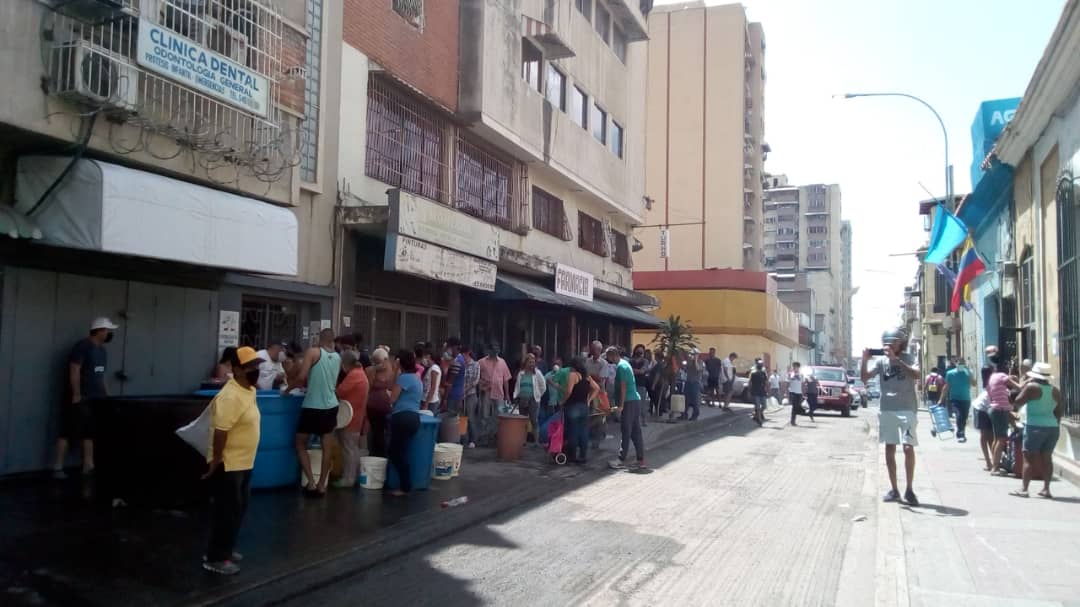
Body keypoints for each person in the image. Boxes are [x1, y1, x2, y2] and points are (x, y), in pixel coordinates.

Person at [201, 346, 262, 575]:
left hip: (245, 462)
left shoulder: (249, 389)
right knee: (226, 511)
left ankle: (226, 549)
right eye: (250, 367)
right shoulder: (230, 395)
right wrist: (216, 460)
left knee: (238, 508)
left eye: (257, 365)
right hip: (229, 463)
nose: (255, 370)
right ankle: (215, 557)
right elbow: (220, 431)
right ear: (236, 370)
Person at [53, 317, 118, 479]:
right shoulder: (83, 347)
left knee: (89, 432)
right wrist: (76, 394)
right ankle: (57, 467)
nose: (110, 333)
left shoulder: (102, 351)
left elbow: (101, 375)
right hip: (81, 398)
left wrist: (106, 395)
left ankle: (88, 465)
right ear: (99, 331)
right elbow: (74, 369)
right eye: (108, 330)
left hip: (96, 399)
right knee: (68, 431)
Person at [861, 326, 921, 506]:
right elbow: (865, 377)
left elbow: (917, 374)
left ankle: (909, 488)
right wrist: (864, 361)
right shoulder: (881, 363)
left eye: (892, 343)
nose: (889, 347)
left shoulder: (909, 358)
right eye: (886, 344)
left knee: (908, 448)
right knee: (889, 448)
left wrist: (897, 361)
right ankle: (894, 489)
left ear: (900, 343)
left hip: (907, 410)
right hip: (887, 409)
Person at [295, 329, 341, 496]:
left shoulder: (313, 352)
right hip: (331, 405)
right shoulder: (337, 357)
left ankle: (311, 482)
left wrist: (288, 389)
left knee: (300, 443)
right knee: (326, 447)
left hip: (312, 405)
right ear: (333, 340)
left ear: (319, 339)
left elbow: (301, 377)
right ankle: (322, 484)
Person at [1009, 363, 1062, 499]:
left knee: (1029, 459)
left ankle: (1024, 489)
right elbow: (1059, 412)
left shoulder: (1032, 387)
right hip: (1052, 427)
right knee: (1047, 458)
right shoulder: (1055, 390)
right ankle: (1046, 489)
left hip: (1034, 426)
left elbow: (1017, 402)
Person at [388, 349, 424, 496]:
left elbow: (392, 398)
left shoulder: (404, 378)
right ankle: (405, 484)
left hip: (402, 417)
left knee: (395, 453)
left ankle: (405, 486)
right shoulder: (416, 378)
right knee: (402, 451)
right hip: (414, 418)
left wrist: (395, 369)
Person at [605, 346, 647, 469]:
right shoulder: (625, 364)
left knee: (626, 430)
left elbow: (623, 387)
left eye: (608, 356)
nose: (607, 359)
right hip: (634, 399)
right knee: (635, 431)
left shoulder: (621, 367)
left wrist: (621, 405)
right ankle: (641, 460)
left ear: (612, 355)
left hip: (628, 401)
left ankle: (621, 459)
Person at [333, 350, 369, 489]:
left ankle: (348, 479)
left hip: (350, 417)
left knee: (349, 449)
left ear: (345, 364)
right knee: (352, 448)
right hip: (356, 416)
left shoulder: (354, 375)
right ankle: (352, 476)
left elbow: (339, 392)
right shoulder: (361, 373)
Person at [561, 356, 601, 464]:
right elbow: (597, 388)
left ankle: (572, 456)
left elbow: (569, 391)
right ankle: (583, 456)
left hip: (573, 406)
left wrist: (562, 401)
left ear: (573, 366)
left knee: (573, 431)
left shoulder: (573, 375)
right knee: (583, 432)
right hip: (584, 407)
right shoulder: (587, 377)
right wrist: (589, 400)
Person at [988, 358, 1022, 476]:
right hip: (1000, 410)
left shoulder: (992, 377)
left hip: (994, 409)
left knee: (997, 438)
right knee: (1002, 439)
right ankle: (995, 468)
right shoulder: (1003, 376)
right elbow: (1018, 387)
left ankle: (994, 464)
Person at [365, 348, 395, 457]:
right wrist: (374, 369)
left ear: (385, 360)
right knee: (375, 433)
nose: (377, 363)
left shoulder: (391, 369)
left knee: (384, 433)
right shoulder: (371, 370)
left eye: (379, 361)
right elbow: (368, 386)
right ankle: (375, 455)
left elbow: (393, 386)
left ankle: (383, 455)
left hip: (386, 407)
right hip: (372, 406)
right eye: (375, 361)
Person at [513, 353, 547, 443]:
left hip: (533, 399)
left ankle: (536, 441)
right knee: (522, 420)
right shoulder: (521, 373)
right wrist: (516, 396)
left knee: (534, 420)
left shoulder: (537, 373)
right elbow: (517, 386)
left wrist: (538, 395)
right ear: (526, 362)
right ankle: (523, 440)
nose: (532, 364)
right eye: (530, 362)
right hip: (522, 399)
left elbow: (543, 386)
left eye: (533, 362)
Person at [942, 358, 975, 442]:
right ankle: (961, 433)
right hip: (955, 399)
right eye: (959, 363)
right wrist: (941, 399)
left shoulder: (968, 372)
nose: (961, 365)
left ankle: (961, 431)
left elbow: (974, 384)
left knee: (964, 417)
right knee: (959, 415)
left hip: (966, 399)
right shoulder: (950, 373)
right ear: (956, 363)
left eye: (962, 364)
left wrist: (969, 372)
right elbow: (946, 387)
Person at [479, 343, 512, 416]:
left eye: (496, 350)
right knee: (485, 414)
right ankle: (485, 427)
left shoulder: (502, 362)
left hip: (499, 392)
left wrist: (507, 394)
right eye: (493, 350)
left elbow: (506, 379)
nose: (495, 352)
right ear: (489, 351)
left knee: (499, 414)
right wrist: (481, 384)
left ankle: (497, 427)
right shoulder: (481, 362)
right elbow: (476, 377)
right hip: (486, 392)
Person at [973, 364, 995, 471]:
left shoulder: (990, 380)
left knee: (989, 436)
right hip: (981, 408)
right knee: (985, 435)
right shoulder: (991, 381)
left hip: (986, 407)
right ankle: (989, 462)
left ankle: (993, 461)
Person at [461, 346, 483, 448]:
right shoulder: (461, 364)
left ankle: (473, 439)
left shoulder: (475, 364)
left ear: (467, 353)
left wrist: (465, 390)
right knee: (461, 417)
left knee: (470, 417)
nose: (462, 357)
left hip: (471, 394)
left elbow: (475, 380)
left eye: (463, 354)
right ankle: (462, 438)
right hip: (460, 394)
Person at [444, 338, 465, 413]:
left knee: (450, 420)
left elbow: (450, 383)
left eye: (448, 347)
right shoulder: (460, 358)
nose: (446, 350)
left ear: (454, 347)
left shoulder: (457, 362)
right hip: (458, 394)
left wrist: (445, 399)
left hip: (452, 395)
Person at [631, 345, 650, 427]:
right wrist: (638, 371)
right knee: (632, 403)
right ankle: (635, 420)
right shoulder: (631, 361)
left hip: (641, 384)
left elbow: (643, 371)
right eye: (638, 350)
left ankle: (643, 419)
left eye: (641, 351)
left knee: (642, 403)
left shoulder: (645, 361)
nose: (639, 352)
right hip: (632, 384)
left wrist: (635, 370)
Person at [683, 349, 704, 421]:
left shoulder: (701, 362)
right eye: (691, 354)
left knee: (695, 400)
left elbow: (698, 369)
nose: (691, 356)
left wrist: (695, 360)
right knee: (685, 399)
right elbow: (685, 369)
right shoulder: (689, 362)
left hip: (695, 383)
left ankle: (695, 415)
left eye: (693, 354)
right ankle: (684, 414)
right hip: (688, 382)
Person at [421, 345, 442, 411]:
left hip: (431, 402)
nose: (424, 359)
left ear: (429, 356)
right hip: (426, 399)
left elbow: (433, 387)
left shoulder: (434, 368)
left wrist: (426, 404)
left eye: (425, 356)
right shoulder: (430, 368)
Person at [748, 358, 768, 425]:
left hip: (762, 391)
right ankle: (759, 420)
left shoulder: (763, 373)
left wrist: (766, 389)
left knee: (764, 406)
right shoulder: (753, 373)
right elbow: (750, 382)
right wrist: (750, 391)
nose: (760, 366)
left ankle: (756, 415)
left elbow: (766, 382)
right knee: (757, 407)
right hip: (755, 391)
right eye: (759, 365)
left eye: (761, 365)